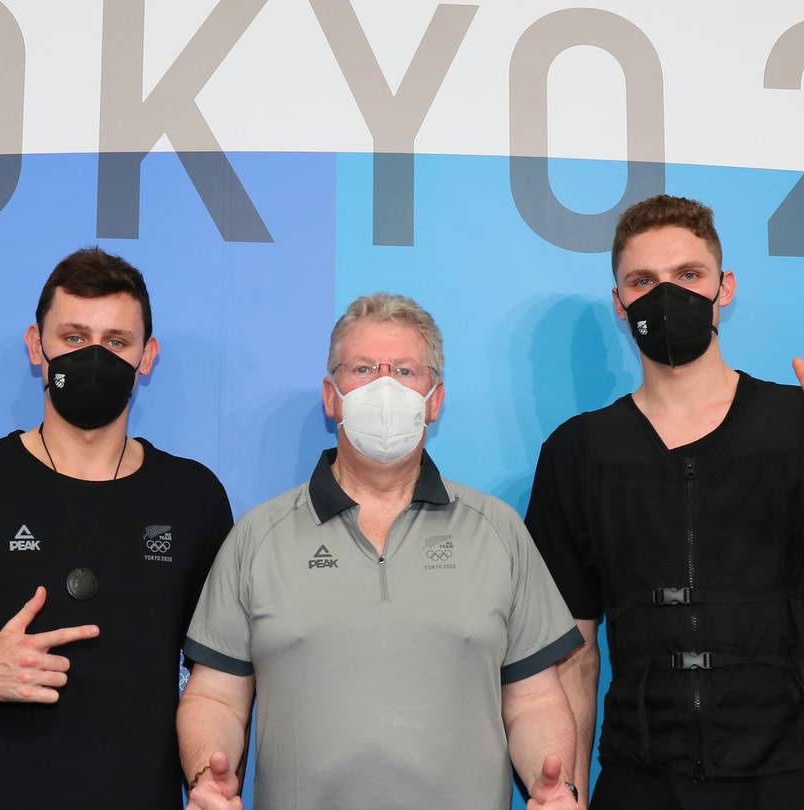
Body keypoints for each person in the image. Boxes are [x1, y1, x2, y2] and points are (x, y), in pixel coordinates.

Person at [525, 195, 804, 809]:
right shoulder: (577, 452)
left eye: (688, 275)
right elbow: (572, 659)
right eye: (643, 281)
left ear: (725, 287)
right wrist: (570, 793)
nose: (667, 295)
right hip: (640, 781)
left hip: (788, 778)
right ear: (619, 303)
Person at [0, 247, 233, 808]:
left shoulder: (193, 496)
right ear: (37, 346)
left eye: (116, 341)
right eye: (74, 338)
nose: (95, 356)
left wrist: (204, 778)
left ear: (147, 357)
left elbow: (218, 685)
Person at [176, 293, 585, 810]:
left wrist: (555, 785)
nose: (385, 387)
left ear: (434, 400)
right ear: (332, 395)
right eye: (364, 368)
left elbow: (534, 699)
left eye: (406, 371)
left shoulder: (497, 531)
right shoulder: (258, 537)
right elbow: (215, 696)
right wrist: (206, 773)